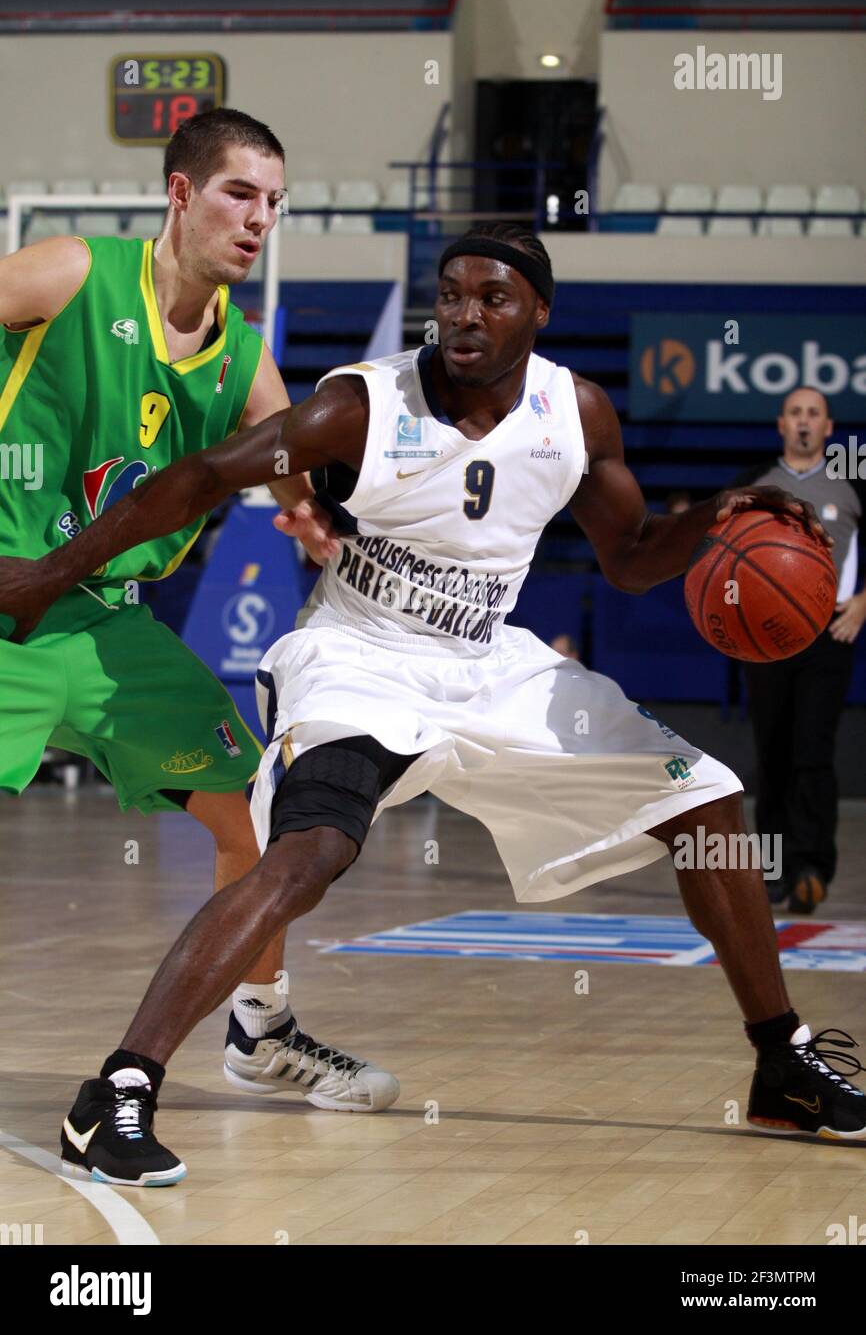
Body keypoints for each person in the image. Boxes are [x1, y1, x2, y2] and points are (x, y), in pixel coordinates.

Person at [2, 223, 864, 1186]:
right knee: (310, 853)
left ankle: (781, 1064)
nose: (464, 314)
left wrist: (726, 514)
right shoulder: (363, 406)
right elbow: (200, 477)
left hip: (492, 666)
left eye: (492, 298)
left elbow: (628, 560)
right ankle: (120, 1087)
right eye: (451, 294)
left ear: (538, 312)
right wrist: (49, 573)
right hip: (357, 659)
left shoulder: (574, 411)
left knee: (708, 802)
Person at [0, 108, 398, 1189]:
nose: (257, 217)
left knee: (259, 814)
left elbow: (296, 491)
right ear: (179, 194)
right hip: (5, 607)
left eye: (272, 201)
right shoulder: (70, 274)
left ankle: (260, 1029)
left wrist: (318, 525)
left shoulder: (247, 367)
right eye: (238, 193)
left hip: (112, 626)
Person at [731, 387, 866, 913]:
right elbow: (711, 543)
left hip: (830, 633)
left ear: (829, 427)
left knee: (813, 752)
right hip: (767, 634)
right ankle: (774, 871)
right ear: (780, 424)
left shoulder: (852, 480)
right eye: (795, 413)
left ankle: (813, 867)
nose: (804, 422)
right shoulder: (754, 481)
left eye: (814, 413)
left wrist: (862, 602)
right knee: (773, 753)